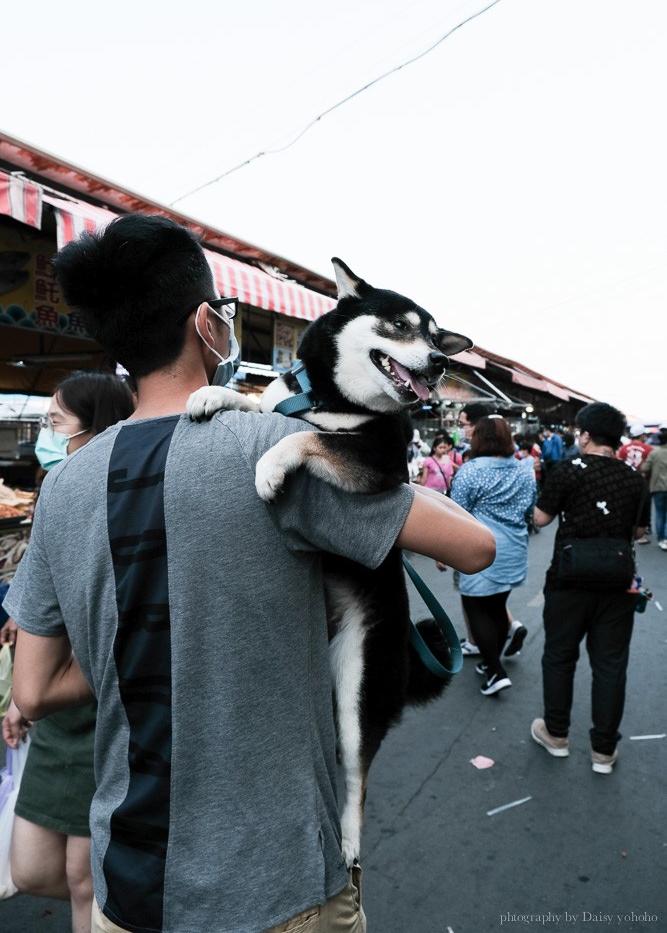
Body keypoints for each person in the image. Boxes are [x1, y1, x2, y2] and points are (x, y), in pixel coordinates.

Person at [2, 213, 495, 933]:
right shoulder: (275, 446)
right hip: (279, 884)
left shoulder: (66, 489)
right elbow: (474, 547)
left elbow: (34, 690)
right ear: (207, 325)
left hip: (127, 883)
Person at [2, 372, 133, 933]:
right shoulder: (59, 488)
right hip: (52, 714)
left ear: (95, 426)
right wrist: (19, 697)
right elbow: (40, 598)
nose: (46, 435)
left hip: (103, 711)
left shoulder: (124, 492)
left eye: (55, 423)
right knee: (30, 870)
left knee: (85, 878)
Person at [531, 402, 650, 774]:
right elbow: (640, 533)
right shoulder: (633, 479)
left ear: (585, 435)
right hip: (616, 584)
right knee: (610, 665)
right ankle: (603, 751)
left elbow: (541, 518)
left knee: (559, 656)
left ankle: (556, 734)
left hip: (568, 581)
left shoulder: (567, 472)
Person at [450, 416, 536, 695]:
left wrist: (444, 553)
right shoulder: (525, 470)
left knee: (477, 610)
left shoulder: (470, 470)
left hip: (480, 547)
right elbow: (529, 508)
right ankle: (490, 663)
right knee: (498, 608)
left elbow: (456, 514)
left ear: (478, 438)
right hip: (514, 547)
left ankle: (495, 671)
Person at [638, 429, 667, 550]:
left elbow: (644, 468)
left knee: (660, 513)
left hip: (658, 487)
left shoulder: (654, 453)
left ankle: (661, 538)